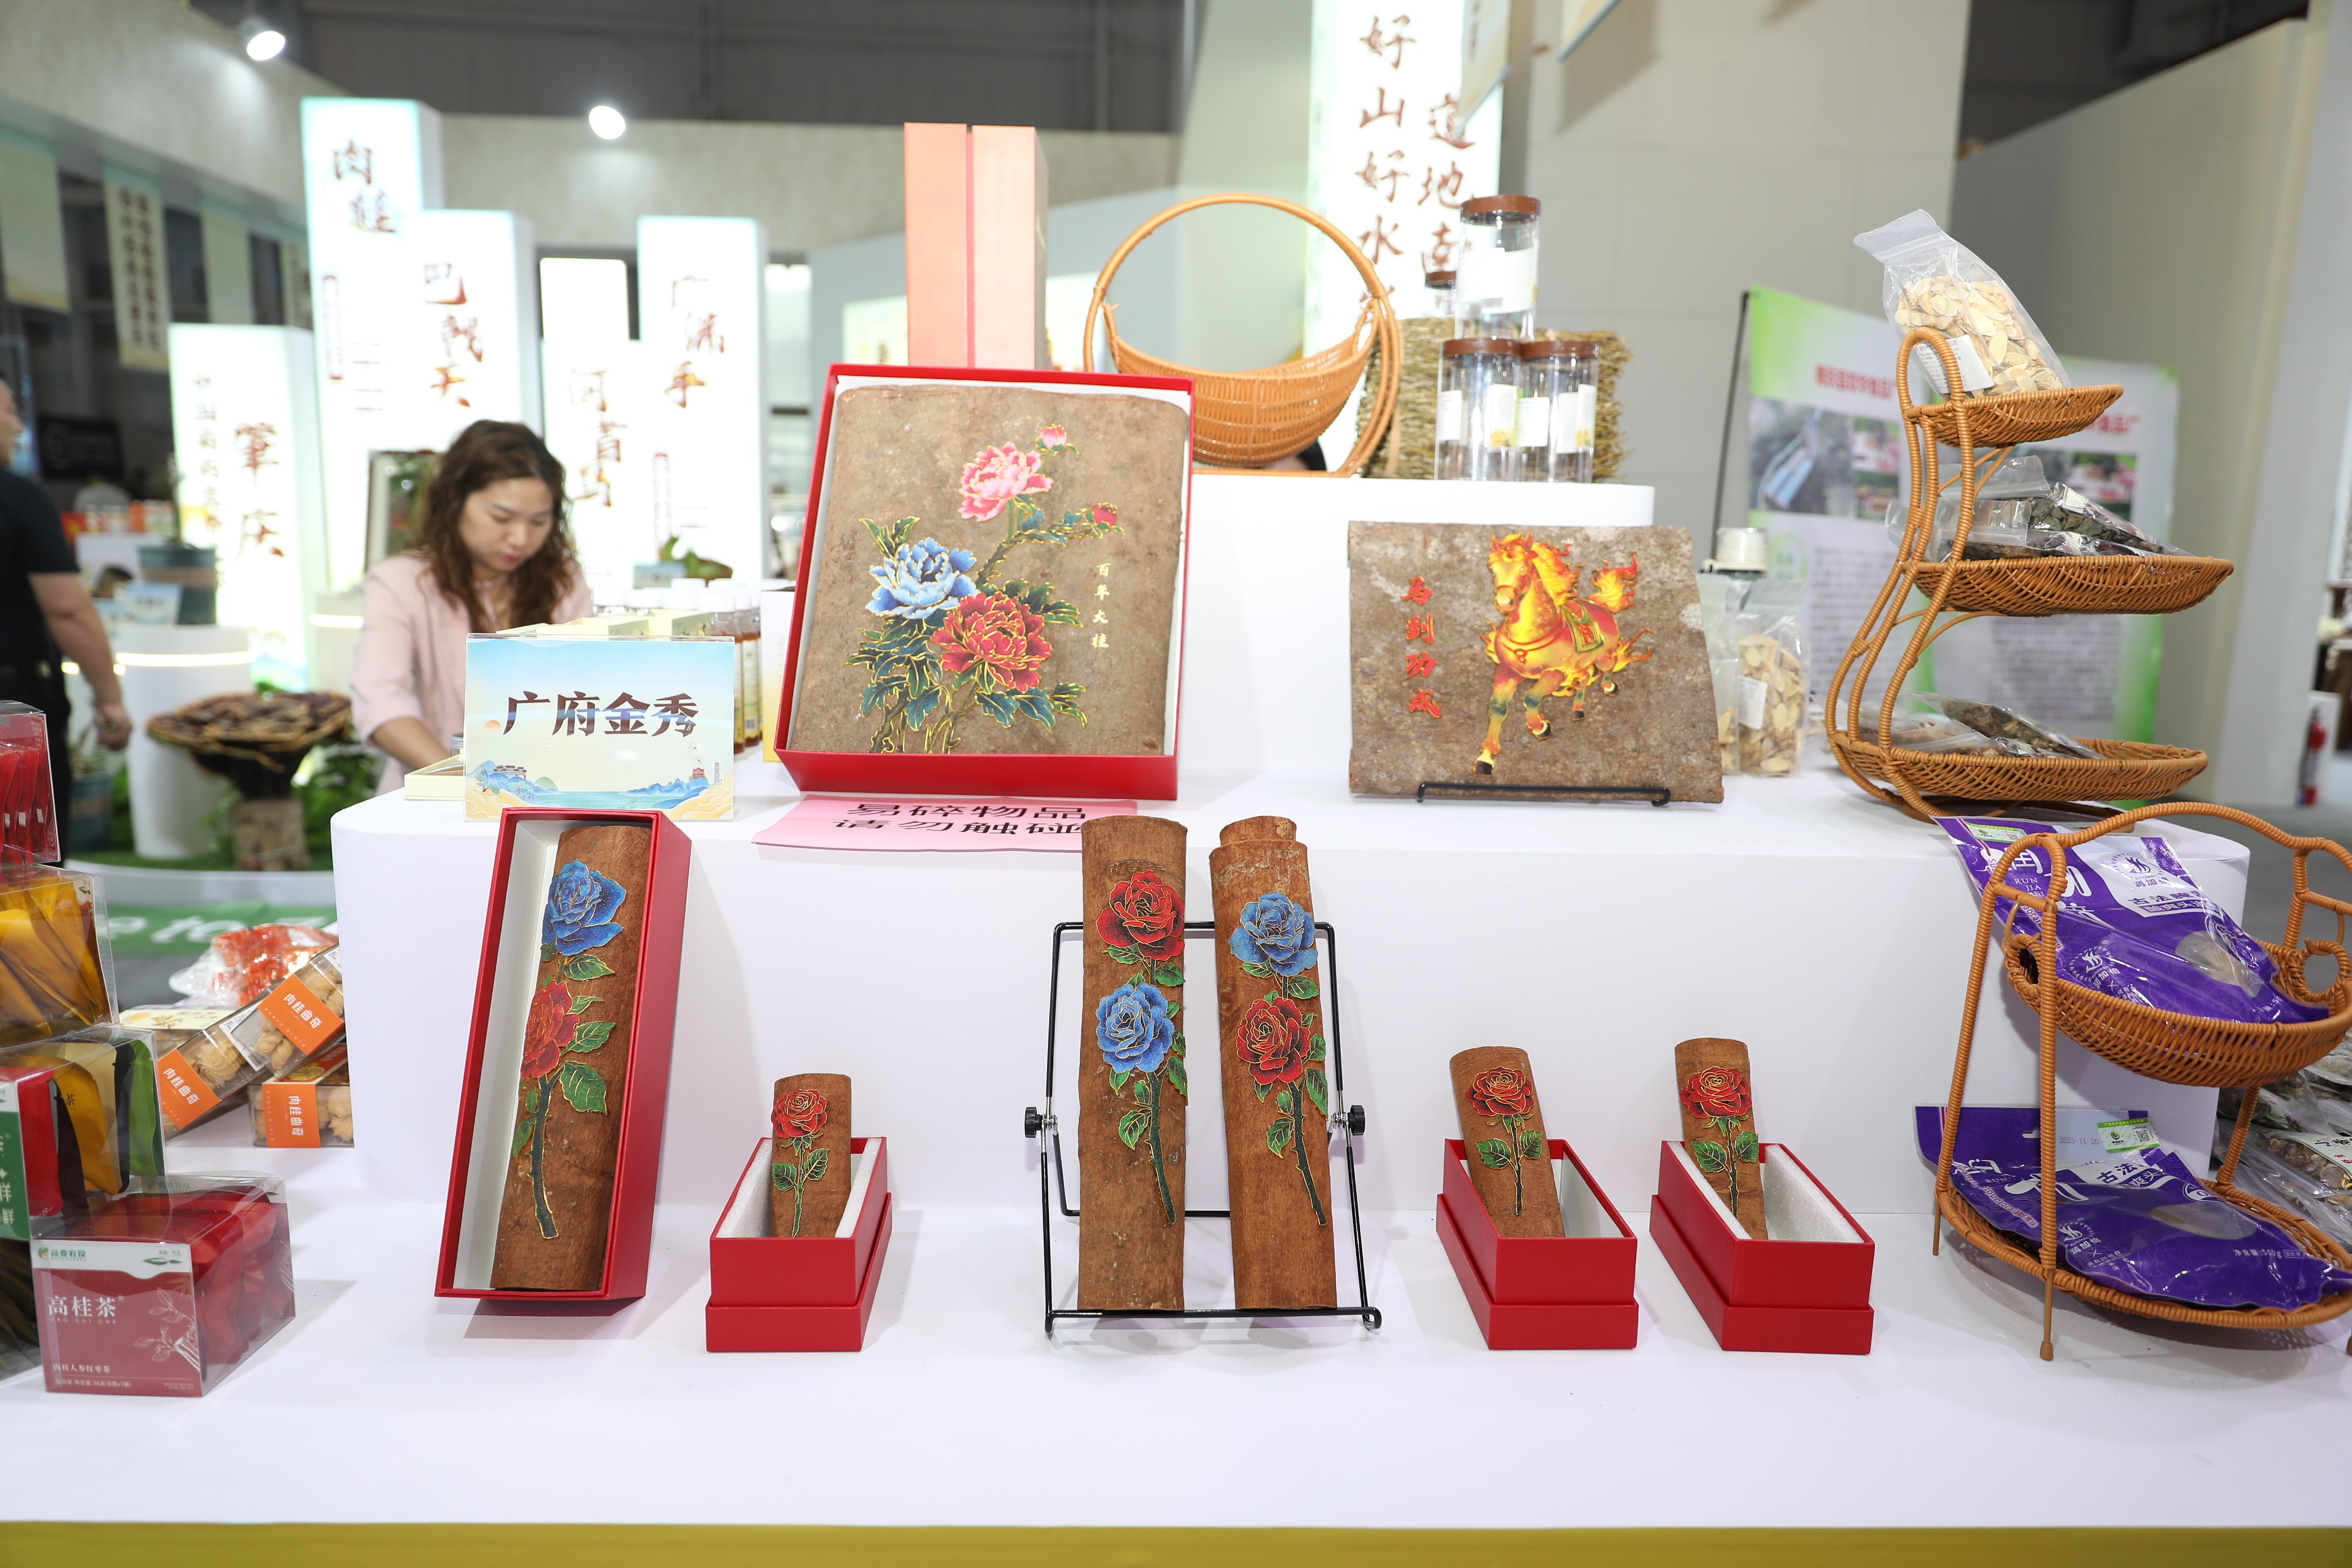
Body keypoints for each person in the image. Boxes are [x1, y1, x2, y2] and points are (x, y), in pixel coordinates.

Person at [351, 420, 590, 793]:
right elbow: (382, 704)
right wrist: (465, 784)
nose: (520, 538)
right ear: (455, 501)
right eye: (501, 518)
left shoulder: (563, 581)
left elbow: (587, 691)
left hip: (546, 793)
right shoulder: (400, 583)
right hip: (433, 796)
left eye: (538, 522)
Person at [0, 381, 130, 823]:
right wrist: (110, 698)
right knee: (21, 851)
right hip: (11, 707)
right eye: (9, 411)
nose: (19, 427)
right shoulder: (19, 499)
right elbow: (68, 609)